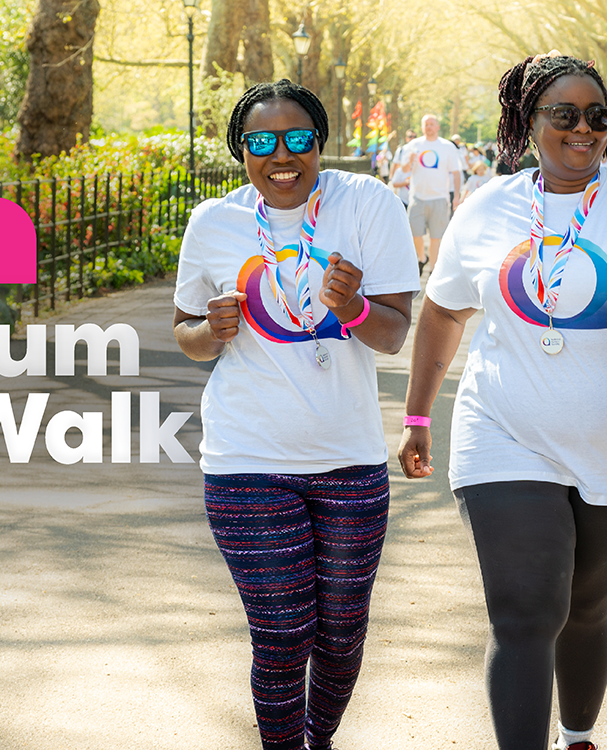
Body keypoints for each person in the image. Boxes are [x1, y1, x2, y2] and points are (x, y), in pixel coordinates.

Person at [397, 53, 607, 750]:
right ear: (529, 122)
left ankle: (577, 736)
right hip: (503, 430)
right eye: (565, 115)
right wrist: (419, 417)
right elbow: (442, 313)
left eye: (598, 116)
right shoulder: (488, 207)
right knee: (525, 611)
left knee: (586, 606)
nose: (585, 129)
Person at [172, 78, 420, 750]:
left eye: (297, 138)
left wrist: (355, 309)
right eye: (260, 141)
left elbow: (395, 332)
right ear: (240, 151)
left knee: (341, 634)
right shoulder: (214, 222)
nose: (281, 154)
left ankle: (319, 738)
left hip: (350, 459)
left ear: (319, 143)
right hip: (247, 459)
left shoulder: (367, 204)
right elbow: (186, 334)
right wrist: (212, 330)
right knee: (283, 632)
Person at [397, 115, 468, 274]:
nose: (429, 127)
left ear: (437, 127)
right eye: (426, 124)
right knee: (414, 233)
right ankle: (422, 257)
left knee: (436, 237)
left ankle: (433, 270)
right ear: (422, 127)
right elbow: (404, 171)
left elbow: (456, 173)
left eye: (431, 124)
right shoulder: (413, 145)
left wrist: (456, 196)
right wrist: (409, 161)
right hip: (417, 197)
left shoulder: (447, 146)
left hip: (439, 198)